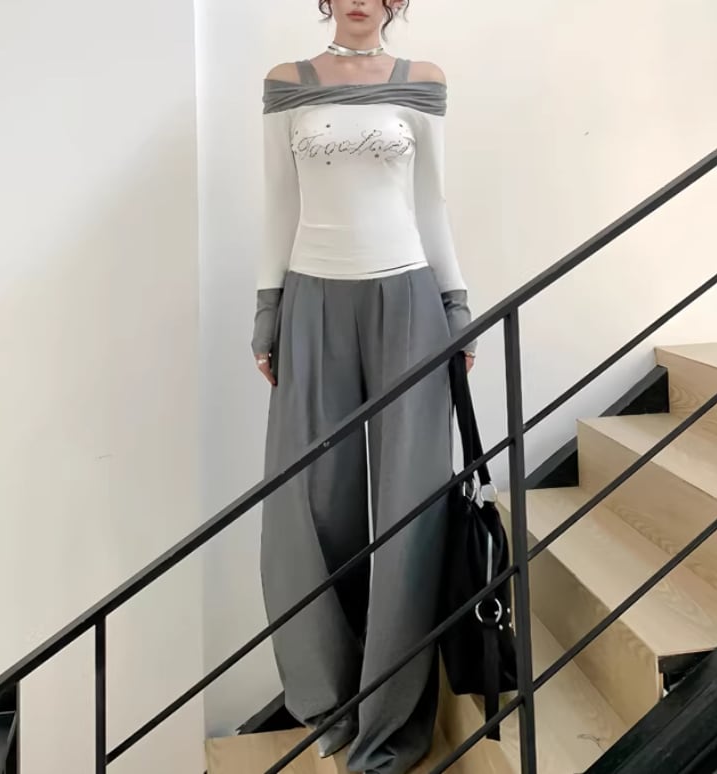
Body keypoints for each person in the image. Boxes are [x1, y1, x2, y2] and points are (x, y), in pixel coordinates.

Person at [250, 2, 476, 772]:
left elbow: (432, 203)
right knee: (316, 506)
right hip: (313, 299)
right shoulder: (287, 82)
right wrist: (268, 309)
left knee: (410, 504)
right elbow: (279, 201)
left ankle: (391, 721)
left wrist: (456, 305)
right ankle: (332, 700)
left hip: (407, 298)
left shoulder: (423, 81)